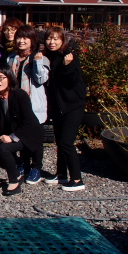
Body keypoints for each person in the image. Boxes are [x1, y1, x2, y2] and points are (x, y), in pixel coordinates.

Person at [0, 64, 44, 196]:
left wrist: (12, 137)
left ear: (9, 78)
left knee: (3, 149)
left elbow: (28, 121)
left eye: (1, 77)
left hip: (29, 133)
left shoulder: (19, 94)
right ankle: (17, 171)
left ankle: (14, 181)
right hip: (13, 132)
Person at [43, 26, 86, 191]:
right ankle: (61, 174)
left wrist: (67, 66)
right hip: (58, 106)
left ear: (62, 40)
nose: (51, 42)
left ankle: (77, 179)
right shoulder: (50, 57)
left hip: (73, 105)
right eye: (48, 38)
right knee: (60, 141)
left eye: (55, 39)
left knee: (67, 142)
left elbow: (73, 81)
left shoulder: (68, 56)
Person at [6, 25, 50, 184]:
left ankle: (36, 167)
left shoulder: (40, 58)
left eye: (25, 38)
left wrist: (38, 63)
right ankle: (24, 165)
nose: (21, 41)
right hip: (16, 104)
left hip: (34, 104)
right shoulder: (11, 58)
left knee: (36, 139)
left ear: (33, 40)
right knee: (21, 136)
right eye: (19, 37)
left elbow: (41, 79)